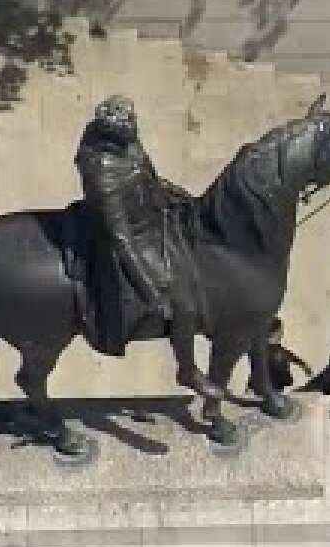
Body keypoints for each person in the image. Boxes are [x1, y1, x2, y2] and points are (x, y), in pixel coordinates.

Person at [75, 94, 222, 401]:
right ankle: (188, 369)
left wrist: (173, 193)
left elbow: (148, 177)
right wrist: (148, 289)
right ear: (111, 134)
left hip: (153, 217)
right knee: (183, 302)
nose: (133, 132)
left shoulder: (127, 142)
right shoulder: (103, 170)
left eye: (133, 125)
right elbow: (120, 237)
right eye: (127, 129)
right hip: (134, 237)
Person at [263, 317, 311, 392]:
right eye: (280, 331)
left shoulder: (277, 348)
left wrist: (303, 365)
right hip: (270, 387)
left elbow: (290, 356)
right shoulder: (271, 350)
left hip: (274, 387)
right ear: (273, 332)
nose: (282, 334)